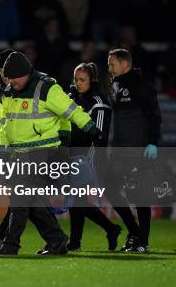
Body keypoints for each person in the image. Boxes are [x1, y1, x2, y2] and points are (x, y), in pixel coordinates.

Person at [0, 51, 105, 256]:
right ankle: (57, 241)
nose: (10, 83)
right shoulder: (10, 91)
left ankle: (11, 245)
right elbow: (7, 126)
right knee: (33, 202)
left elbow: (72, 110)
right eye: (8, 78)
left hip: (43, 151)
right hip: (19, 153)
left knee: (19, 197)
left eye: (14, 78)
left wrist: (92, 128)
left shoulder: (47, 88)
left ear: (24, 73)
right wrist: (5, 152)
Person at [106, 48, 161, 252]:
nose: (109, 67)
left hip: (137, 149)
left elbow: (154, 115)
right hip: (119, 149)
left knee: (139, 195)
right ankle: (135, 231)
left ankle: (142, 242)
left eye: (112, 64)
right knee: (110, 188)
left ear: (125, 64)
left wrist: (152, 142)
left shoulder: (140, 85)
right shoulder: (116, 84)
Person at [63, 62, 122, 251]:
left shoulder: (98, 101)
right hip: (70, 156)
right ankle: (111, 229)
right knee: (77, 201)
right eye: (76, 79)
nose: (78, 83)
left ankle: (75, 242)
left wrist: (94, 162)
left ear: (92, 80)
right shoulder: (70, 97)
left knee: (76, 200)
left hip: (87, 156)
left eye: (83, 80)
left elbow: (99, 136)